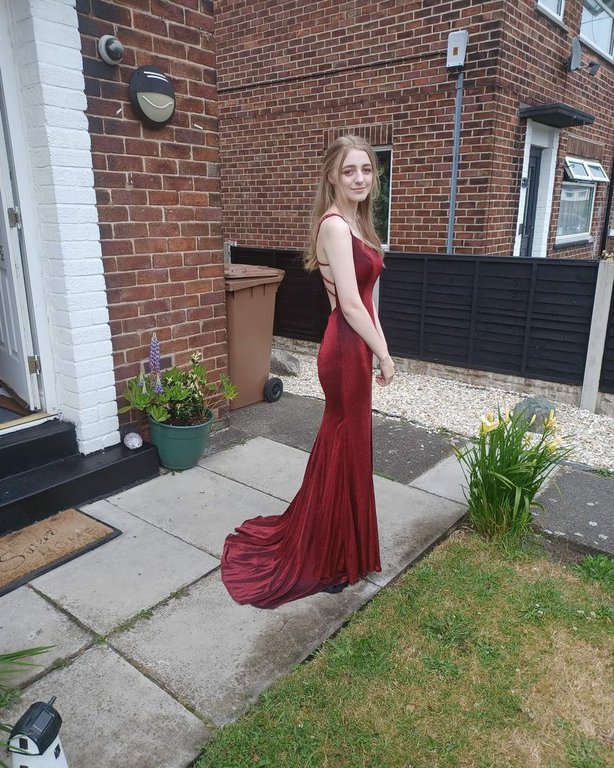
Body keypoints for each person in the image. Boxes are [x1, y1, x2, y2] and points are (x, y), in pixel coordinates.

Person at [221, 135, 395, 609]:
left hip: (356, 345)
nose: (359, 178)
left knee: (348, 447)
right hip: (345, 348)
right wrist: (383, 353)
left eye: (366, 169)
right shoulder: (335, 226)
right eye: (349, 170)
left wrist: (378, 347)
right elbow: (352, 306)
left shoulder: (359, 223)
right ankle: (329, 556)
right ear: (331, 176)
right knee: (342, 446)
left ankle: (343, 548)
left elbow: (368, 300)